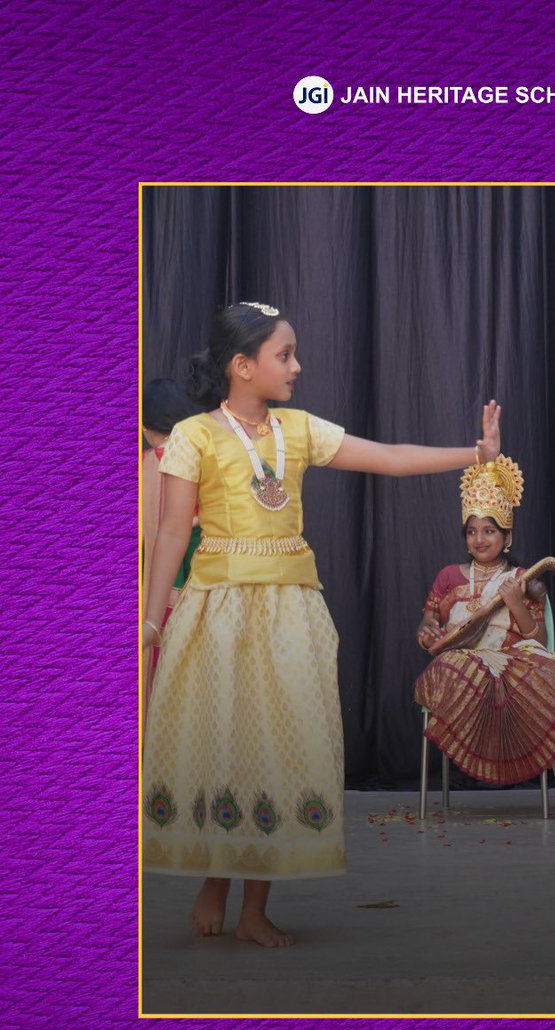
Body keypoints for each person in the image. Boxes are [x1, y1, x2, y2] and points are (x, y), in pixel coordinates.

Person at [142, 301, 501, 947]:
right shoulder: (195, 436)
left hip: (291, 613)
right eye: (284, 355)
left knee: (279, 750)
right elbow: (171, 531)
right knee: (221, 743)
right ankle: (215, 882)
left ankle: (254, 907)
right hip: (217, 611)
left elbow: (389, 457)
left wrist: (474, 453)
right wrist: (150, 618)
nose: (297, 365)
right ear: (242, 366)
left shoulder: (298, 429)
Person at [414, 455, 555, 819]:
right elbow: (428, 626)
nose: (480, 539)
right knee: (450, 670)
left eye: (490, 531)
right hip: (462, 659)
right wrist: (427, 634)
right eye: (473, 531)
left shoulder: (525, 579)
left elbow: (537, 639)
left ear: (506, 537)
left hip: (515, 658)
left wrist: (514, 601)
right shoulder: (448, 577)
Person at [141, 379, 201, 718]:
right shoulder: (213, 465)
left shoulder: (140, 469)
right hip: (209, 598)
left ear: (147, 429)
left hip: (154, 599)